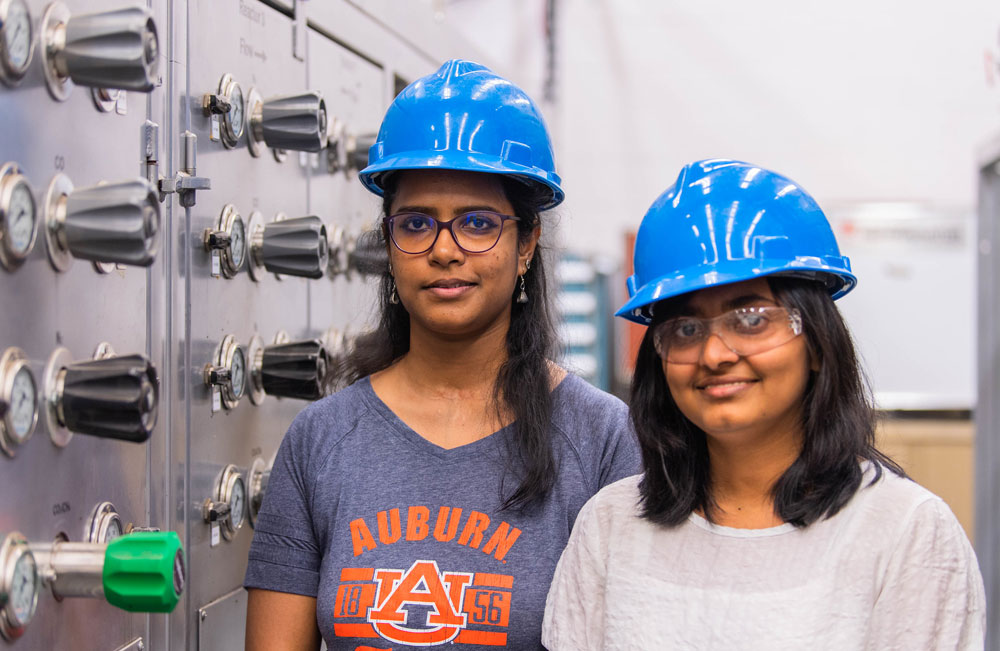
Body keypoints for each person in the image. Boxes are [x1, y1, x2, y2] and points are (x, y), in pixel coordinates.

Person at [243, 59, 639, 651]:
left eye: (477, 224)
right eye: (416, 224)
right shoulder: (320, 440)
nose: (444, 250)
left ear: (527, 244)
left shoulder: (601, 437)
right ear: (389, 242)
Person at [542, 159, 985, 649]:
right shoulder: (610, 525)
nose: (715, 355)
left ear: (816, 342)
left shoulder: (907, 534)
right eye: (685, 329)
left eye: (751, 319)